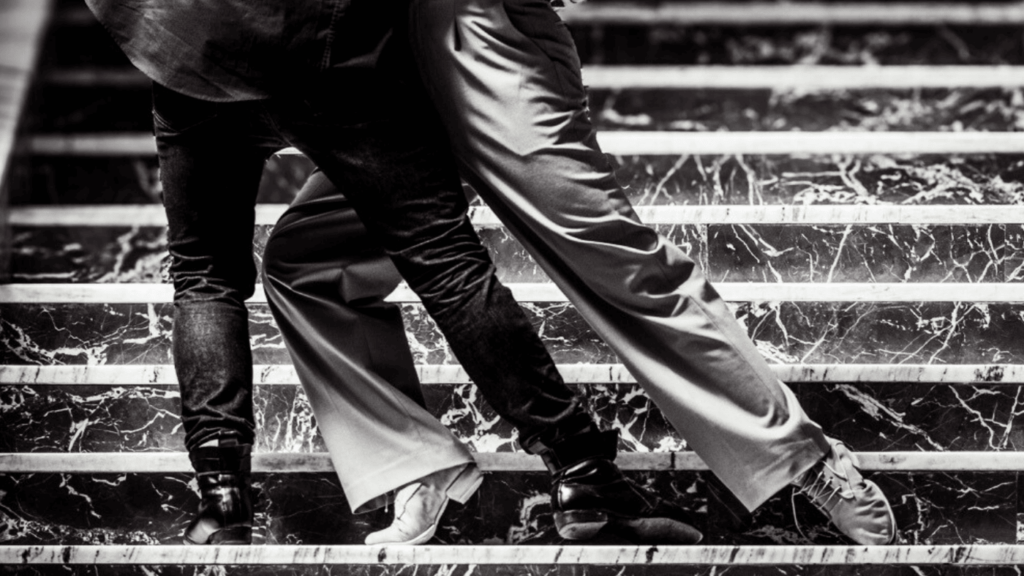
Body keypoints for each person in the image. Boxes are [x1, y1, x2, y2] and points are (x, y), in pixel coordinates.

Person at [262, 0, 898, 547]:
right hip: (372, 53)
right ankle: (414, 462)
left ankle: (802, 460)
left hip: (477, 34)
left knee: (609, 253)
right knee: (305, 260)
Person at [84, 0, 698, 546]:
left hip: (196, 48)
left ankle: (223, 501)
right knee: (446, 261)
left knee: (206, 277)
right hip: (334, 47)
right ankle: (581, 470)